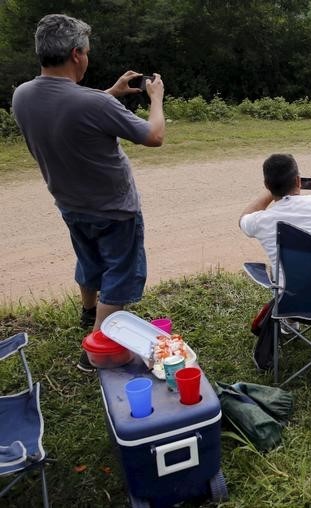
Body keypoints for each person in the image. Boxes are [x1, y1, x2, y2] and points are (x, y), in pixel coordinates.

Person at [12, 14, 166, 371]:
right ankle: (94, 351)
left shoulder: (23, 96)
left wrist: (111, 93)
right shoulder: (94, 105)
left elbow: (67, 105)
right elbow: (154, 136)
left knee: (90, 261)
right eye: (88, 52)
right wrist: (155, 98)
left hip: (70, 204)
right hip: (114, 210)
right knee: (119, 274)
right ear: (77, 54)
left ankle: (87, 313)